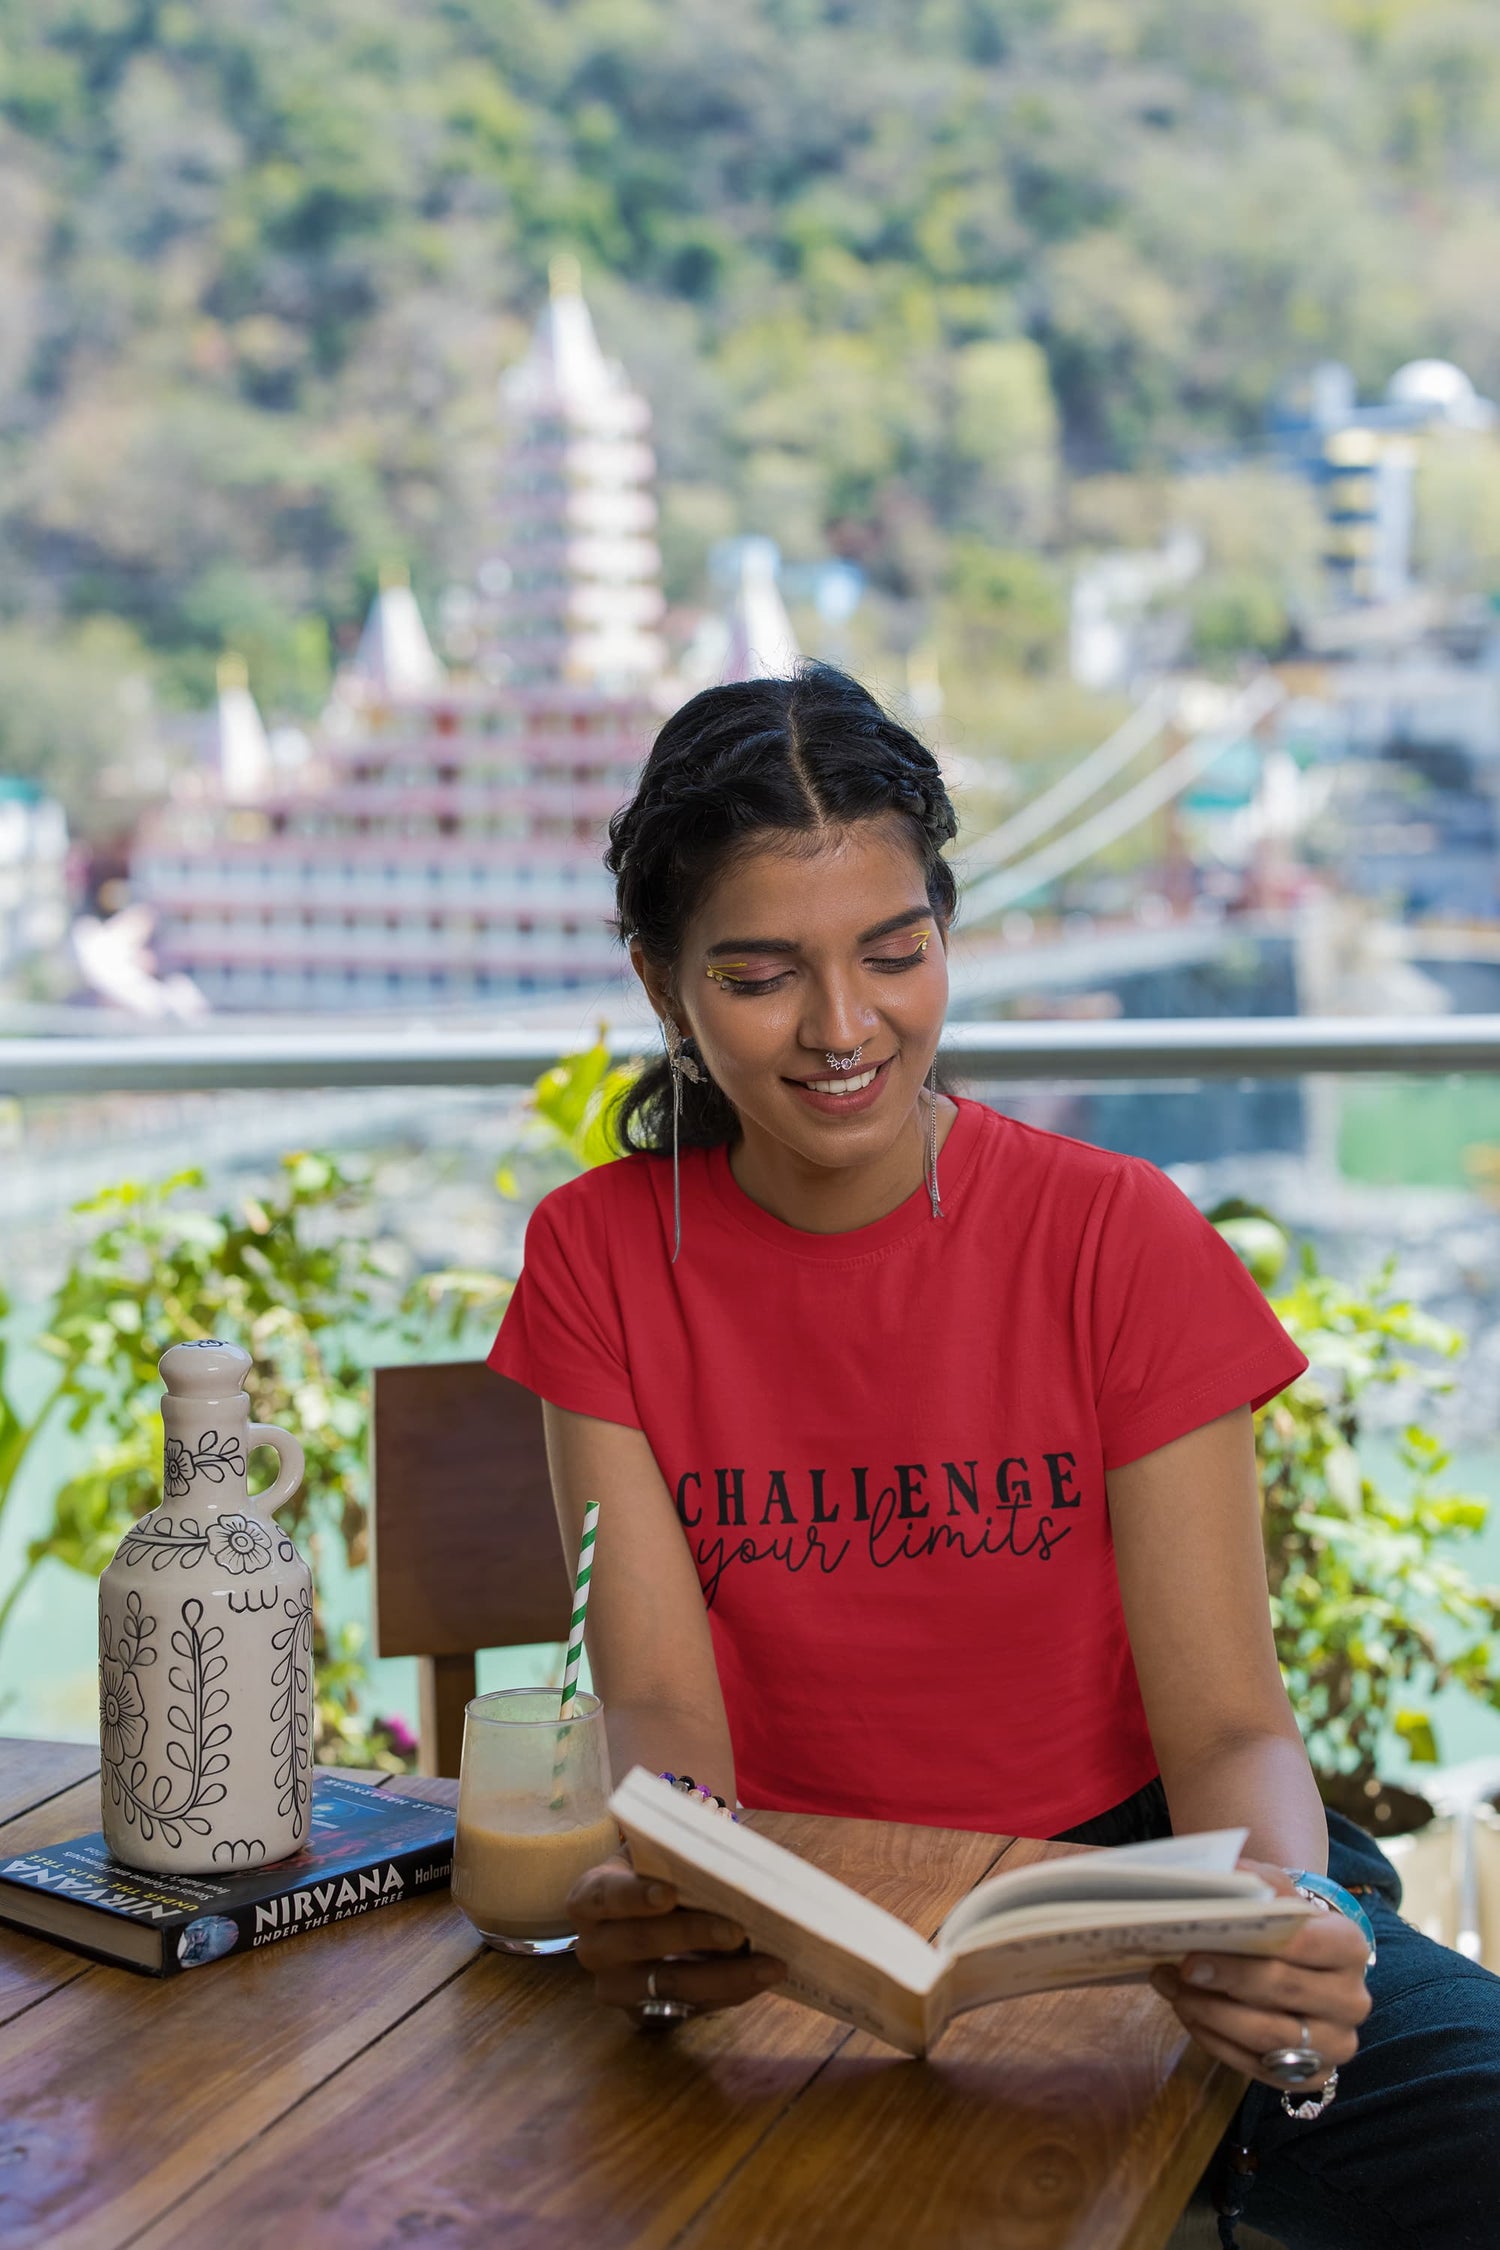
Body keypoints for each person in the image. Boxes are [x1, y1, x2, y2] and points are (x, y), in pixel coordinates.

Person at [489, 664, 1500, 2250]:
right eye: (763, 976)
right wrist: (676, 1893)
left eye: (895, 954)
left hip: (1142, 1878)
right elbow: (666, 1716)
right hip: (794, 1911)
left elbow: (1231, 1725)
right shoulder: (600, 1256)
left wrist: (1281, 1922)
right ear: (659, 979)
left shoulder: (1117, 1235)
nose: (845, 1028)